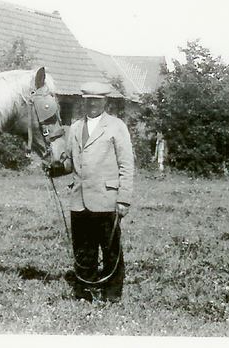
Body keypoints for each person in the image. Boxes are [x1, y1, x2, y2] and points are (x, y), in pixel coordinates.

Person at [64, 81, 135, 302]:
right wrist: (52, 164)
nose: (92, 104)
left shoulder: (116, 126)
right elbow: (68, 162)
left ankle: (112, 293)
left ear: (105, 101)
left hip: (107, 198)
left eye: (97, 100)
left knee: (110, 248)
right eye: (88, 100)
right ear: (83, 102)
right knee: (83, 249)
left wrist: (123, 198)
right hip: (79, 199)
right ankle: (84, 290)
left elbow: (126, 165)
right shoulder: (75, 127)